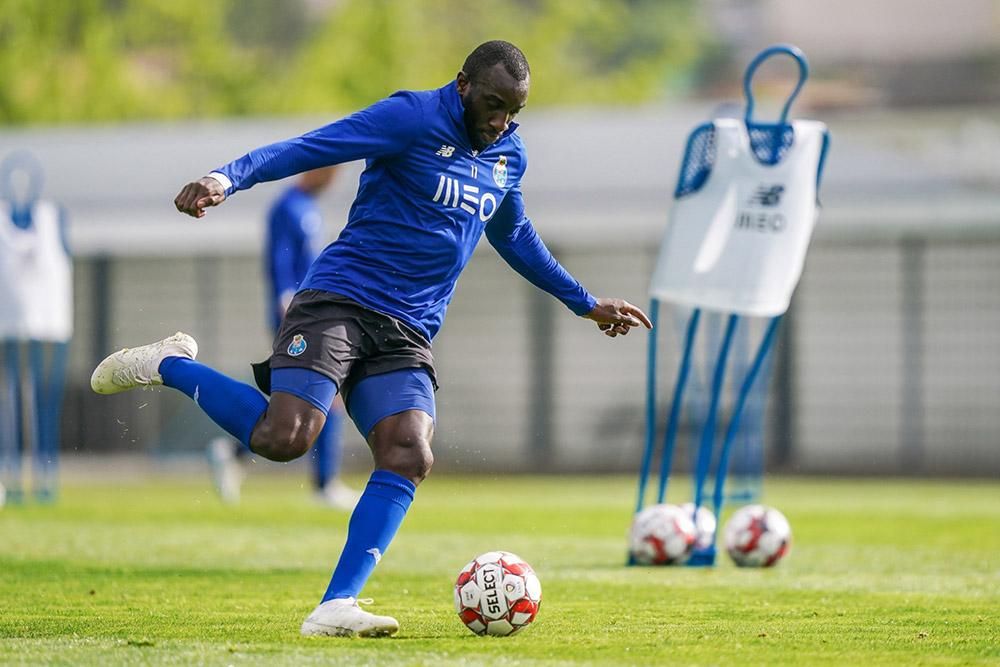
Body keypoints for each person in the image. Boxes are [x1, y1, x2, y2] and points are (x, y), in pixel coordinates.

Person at [91, 40, 652, 638]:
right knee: (285, 439)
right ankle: (170, 362)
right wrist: (226, 177)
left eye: (512, 112)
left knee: (410, 453)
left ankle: (336, 605)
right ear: (462, 84)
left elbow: (514, 236)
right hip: (341, 301)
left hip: (408, 329)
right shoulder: (410, 116)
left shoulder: (508, 153)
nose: (499, 122)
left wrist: (585, 302)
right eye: (491, 105)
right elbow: (311, 147)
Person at [207, 166, 359, 510]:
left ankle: (233, 452)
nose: (333, 182)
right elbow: (279, 262)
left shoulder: (307, 208)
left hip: (312, 312)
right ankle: (324, 485)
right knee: (326, 396)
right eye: (331, 174)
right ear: (316, 171)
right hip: (296, 314)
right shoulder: (286, 207)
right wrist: (286, 304)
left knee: (306, 401)